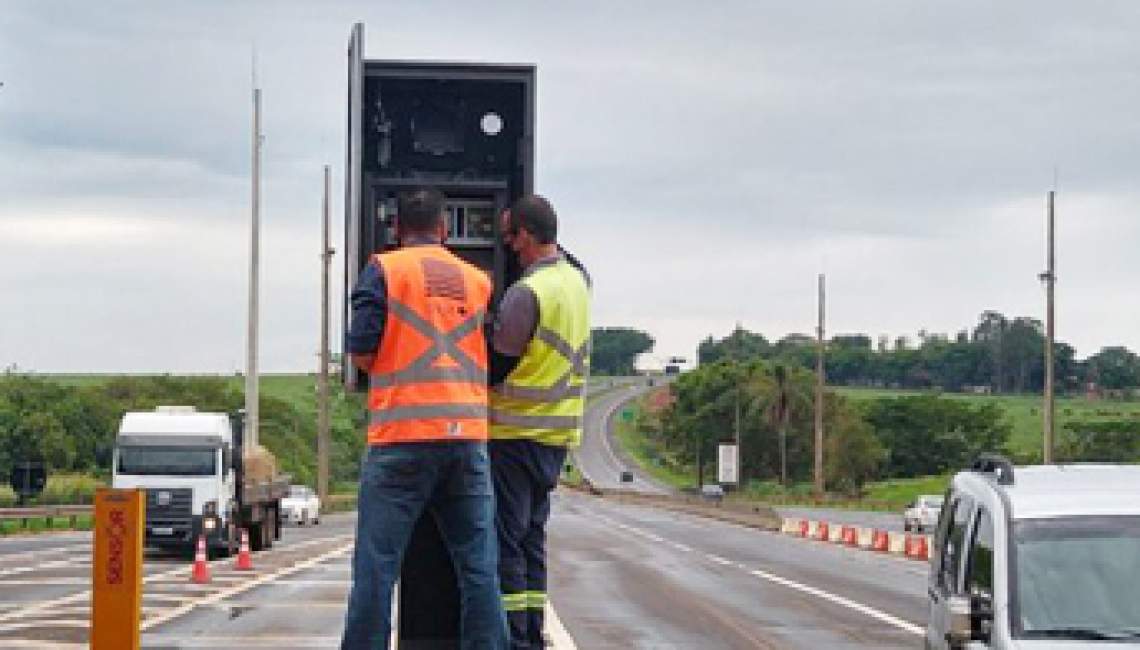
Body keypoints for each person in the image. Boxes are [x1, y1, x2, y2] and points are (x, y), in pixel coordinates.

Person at [340, 187, 507, 650]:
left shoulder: (384, 270)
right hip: (466, 441)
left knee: (376, 568)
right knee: (479, 569)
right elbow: (489, 349)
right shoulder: (478, 280)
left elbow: (360, 346)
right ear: (443, 230)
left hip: (401, 440)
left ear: (396, 230)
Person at [488, 194, 592, 649]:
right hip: (555, 436)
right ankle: (532, 632)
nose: (507, 246)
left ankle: (515, 638)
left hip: (514, 433)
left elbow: (498, 364)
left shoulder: (526, 294)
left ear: (527, 235)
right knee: (531, 540)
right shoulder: (577, 283)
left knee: (506, 544)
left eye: (510, 236)